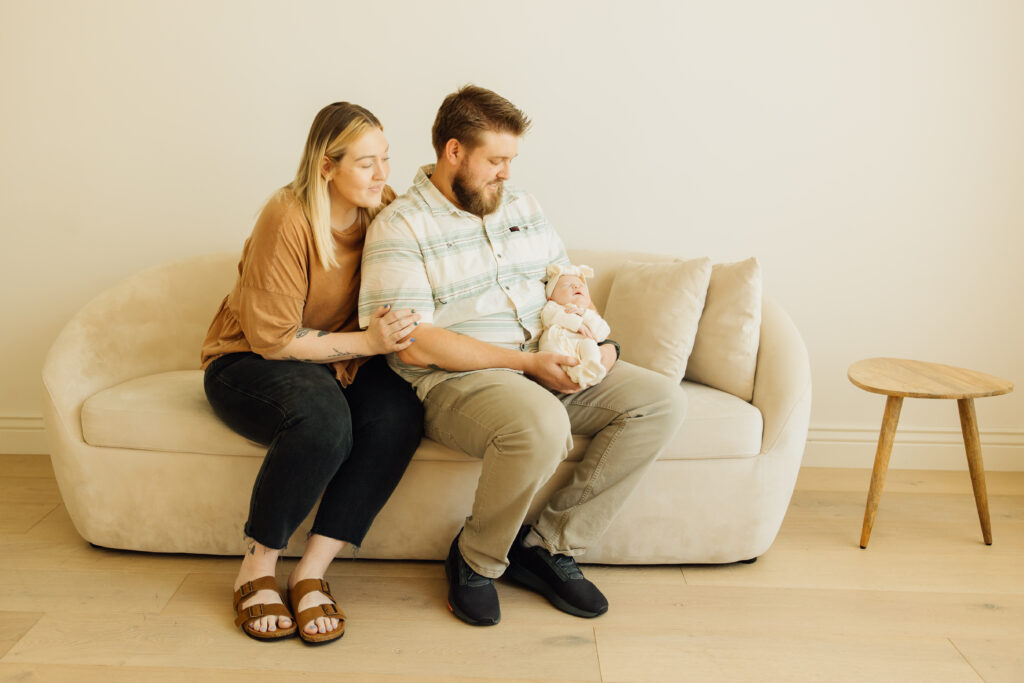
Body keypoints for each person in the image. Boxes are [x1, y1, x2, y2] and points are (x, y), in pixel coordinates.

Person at [358, 85, 686, 626]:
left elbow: (566, 282)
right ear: (454, 152)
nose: (507, 174)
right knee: (541, 422)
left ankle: (548, 546)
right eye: (496, 160)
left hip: (549, 356)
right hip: (461, 380)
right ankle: (475, 560)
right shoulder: (401, 225)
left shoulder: (523, 206)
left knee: (659, 403)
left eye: (512, 161)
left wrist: (597, 347)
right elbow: (413, 342)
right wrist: (527, 365)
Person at [201, 102, 423, 644]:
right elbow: (272, 339)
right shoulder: (288, 215)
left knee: (400, 415)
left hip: (339, 360)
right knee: (324, 422)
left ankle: (311, 571)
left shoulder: (381, 207)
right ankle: (256, 567)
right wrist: (369, 341)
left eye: (386, 159)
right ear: (327, 166)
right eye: (367, 164)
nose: (382, 175)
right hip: (248, 360)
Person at [539, 263, 611, 390]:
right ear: (551, 297)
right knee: (557, 352)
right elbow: (548, 316)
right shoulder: (553, 307)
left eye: (581, 286)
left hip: (580, 344)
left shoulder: (589, 314)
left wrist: (585, 314)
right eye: (566, 285)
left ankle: (591, 368)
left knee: (590, 345)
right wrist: (576, 324)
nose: (576, 286)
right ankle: (573, 372)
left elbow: (603, 332)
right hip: (556, 342)